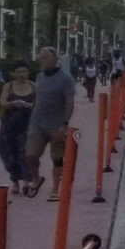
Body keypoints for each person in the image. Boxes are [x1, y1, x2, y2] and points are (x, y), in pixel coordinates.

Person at [28, 47, 78, 202]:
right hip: (37, 122)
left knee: (57, 157)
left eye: (46, 58)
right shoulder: (39, 76)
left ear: (56, 60)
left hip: (56, 123)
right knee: (30, 155)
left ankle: (56, 187)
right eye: (41, 58)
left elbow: (69, 102)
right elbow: (37, 98)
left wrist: (64, 123)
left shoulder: (65, 78)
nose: (42, 60)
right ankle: (36, 179)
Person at [0, 62, 37, 195]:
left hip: (27, 124)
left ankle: (27, 181)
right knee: (9, 153)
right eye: (18, 71)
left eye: (24, 71)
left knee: (24, 152)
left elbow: (38, 104)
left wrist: (29, 105)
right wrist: (13, 103)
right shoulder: (8, 86)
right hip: (9, 124)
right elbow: (2, 103)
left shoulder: (33, 86)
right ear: (13, 73)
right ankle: (15, 181)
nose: (21, 74)